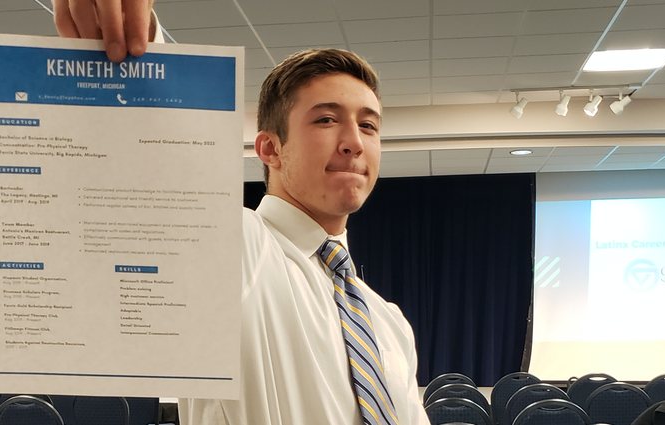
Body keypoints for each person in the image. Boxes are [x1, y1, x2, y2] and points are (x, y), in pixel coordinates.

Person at [53, 1, 426, 424]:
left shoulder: (388, 322)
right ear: (270, 149)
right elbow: (162, 175)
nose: (354, 141)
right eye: (326, 120)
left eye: (369, 126)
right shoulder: (239, 251)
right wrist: (129, 49)